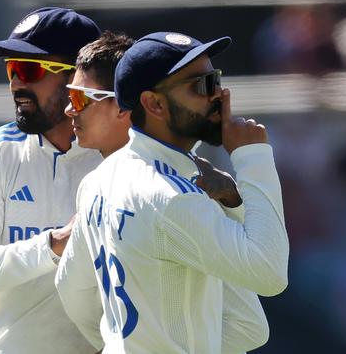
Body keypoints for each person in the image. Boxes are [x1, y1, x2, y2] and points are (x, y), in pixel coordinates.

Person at [56, 31, 289, 353]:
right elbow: (269, 275)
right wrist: (253, 157)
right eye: (202, 85)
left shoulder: (99, 179)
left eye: (216, 79)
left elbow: (72, 289)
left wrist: (232, 203)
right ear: (154, 103)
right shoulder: (173, 196)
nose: (219, 95)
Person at [0, 7, 103, 354]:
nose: (17, 83)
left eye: (29, 69)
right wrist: (55, 244)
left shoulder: (123, 157)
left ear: (76, 77)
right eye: (11, 70)